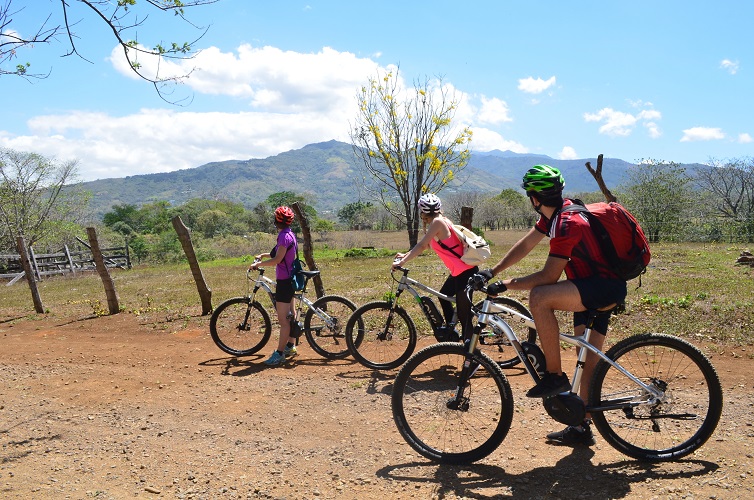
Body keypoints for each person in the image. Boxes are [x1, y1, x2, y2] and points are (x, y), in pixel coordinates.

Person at [473, 165, 627, 445]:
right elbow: (526, 244)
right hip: (597, 286)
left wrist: (506, 284)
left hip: (599, 288)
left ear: (534, 198)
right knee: (588, 359)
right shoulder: (558, 214)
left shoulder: (567, 223)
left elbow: (548, 277)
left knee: (540, 297)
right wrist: (492, 271)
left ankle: (554, 375)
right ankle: (581, 427)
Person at [392, 194, 478, 341]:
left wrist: (402, 262)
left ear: (422, 212)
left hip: (465, 272)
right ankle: (452, 332)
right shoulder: (441, 221)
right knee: (443, 295)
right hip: (459, 271)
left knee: (465, 317)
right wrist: (405, 255)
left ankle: (472, 357)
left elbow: (422, 245)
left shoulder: (437, 223)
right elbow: (425, 245)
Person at [250, 206, 299, 366]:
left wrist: (258, 265)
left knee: (283, 321)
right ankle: (291, 346)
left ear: (277, 221)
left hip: (285, 282)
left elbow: (277, 260)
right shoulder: (289, 234)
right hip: (289, 279)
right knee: (290, 315)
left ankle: (279, 354)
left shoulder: (283, 237)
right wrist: (263, 255)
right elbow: (279, 254)